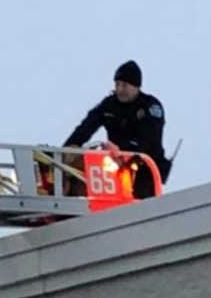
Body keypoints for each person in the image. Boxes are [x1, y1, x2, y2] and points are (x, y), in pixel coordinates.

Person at [63, 60, 170, 198]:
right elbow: (85, 128)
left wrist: (120, 149)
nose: (119, 89)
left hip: (144, 169)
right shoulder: (109, 104)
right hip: (116, 167)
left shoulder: (150, 106)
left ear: (136, 86)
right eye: (117, 84)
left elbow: (148, 139)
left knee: (140, 204)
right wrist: (67, 150)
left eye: (124, 85)